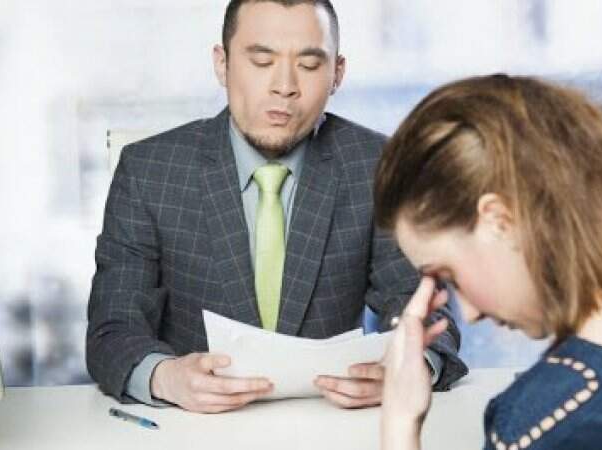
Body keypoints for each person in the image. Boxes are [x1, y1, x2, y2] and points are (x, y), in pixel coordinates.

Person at [85, 0, 467, 414]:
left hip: (332, 423)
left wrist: (409, 368)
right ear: (222, 64)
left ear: (337, 74)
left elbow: (423, 306)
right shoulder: (148, 171)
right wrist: (165, 377)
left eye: (309, 64)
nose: (284, 86)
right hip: (192, 427)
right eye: (262, 61)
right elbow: (113, 329)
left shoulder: (380, 166)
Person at [373, 75, 602, 449]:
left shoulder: (551, 417)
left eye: (449, 276)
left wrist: (400, 420)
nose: (469, 314)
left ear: (500, 220)